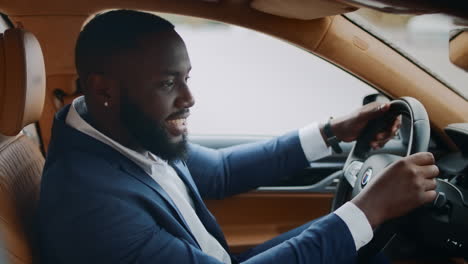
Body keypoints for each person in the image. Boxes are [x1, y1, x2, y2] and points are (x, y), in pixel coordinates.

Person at [36, 10, 439, 264]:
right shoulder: (89, 204)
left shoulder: (115, 126)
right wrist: (369, 209)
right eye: (167, 83)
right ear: (104, 89)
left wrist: (333, 131)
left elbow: (223, 170)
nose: (189, 98)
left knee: (361, 245)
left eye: (187, 78)